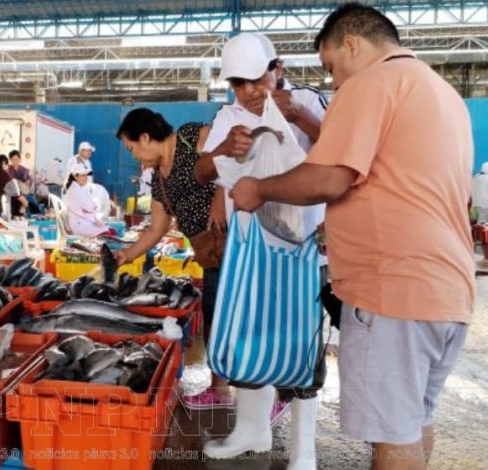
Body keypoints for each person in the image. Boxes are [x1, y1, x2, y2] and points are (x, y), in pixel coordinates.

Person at [229, 4, 474, 469]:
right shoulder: (439, 92)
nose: (336, 82)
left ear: (353, 44)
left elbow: (329, 178)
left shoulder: (371, 83)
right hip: (446, 290)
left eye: (332, 67)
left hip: (393, 291)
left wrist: (258, 189)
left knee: (392, 438)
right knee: (413, 424)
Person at [195, 33, 328, 469]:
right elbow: (199, 171)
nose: (250, 92)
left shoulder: (308, 100)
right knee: (252, 334)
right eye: (238, 83)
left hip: (305, 248)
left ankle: (302, 452)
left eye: (257, 79)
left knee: (301, 345)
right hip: (250, 249)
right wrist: (220, 150)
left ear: (278, 68)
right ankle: (251, 431)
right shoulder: (228, 115)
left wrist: (300, 115)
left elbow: (342, 152)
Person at [112, 108, 227, 407]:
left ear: (146, 137)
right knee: (216, 315)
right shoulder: (158, 180)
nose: (135, 155)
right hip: (210, 251)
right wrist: (125, 255)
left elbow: (233, 153)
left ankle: (271, 390)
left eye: (132, 147)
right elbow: (157, 228)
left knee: (246, 315)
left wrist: (221, 197)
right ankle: (220, 388)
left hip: (236, 238)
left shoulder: (190, 136)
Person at [64, 164, 115, 237]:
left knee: (113, 231)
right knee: (108, 234)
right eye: (83, 175)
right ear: (75, 176)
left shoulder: (83, 188)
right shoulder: (75, 190)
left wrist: (92, 207)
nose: (86, 178)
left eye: (86, 175)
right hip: (80, 224)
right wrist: (92, 207)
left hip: (88, 222)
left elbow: (95, 205)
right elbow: (90, 207)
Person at [7, 150, 31, 218]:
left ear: (20, 159)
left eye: (17, 159)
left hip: (22, 196)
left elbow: (29, 179)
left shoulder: (24, 170)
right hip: (12, 197)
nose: (15, 161)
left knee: (20, 215)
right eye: (13, 160)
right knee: (12, 215)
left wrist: (28, 181)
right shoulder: (8, 170)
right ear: (10, 160)